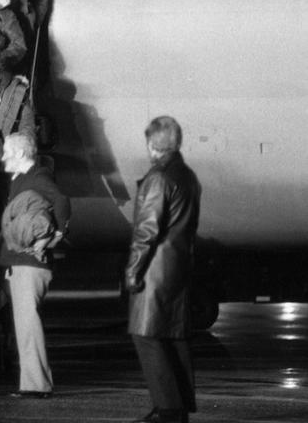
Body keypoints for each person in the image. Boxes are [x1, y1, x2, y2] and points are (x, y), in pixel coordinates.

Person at [125, 116, 200, 423]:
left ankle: (168, 408)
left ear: (153, 144)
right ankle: (178, 405)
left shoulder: (158, 178)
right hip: (178, 265)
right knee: (174, 336)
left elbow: (147, 230)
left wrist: (133, 270)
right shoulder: (187, 175)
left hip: (155, 269)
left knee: (147, 336)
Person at [0, 132, 70, 399]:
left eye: (7, 152)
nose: (3, 157)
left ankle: (36, 385)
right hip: (21, 262)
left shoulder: (38, 177)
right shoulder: (22, 179)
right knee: (24, 324)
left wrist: (55, 237)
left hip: (29, 263)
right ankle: (32, 383)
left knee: (28, 324)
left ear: (22, 154)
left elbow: (61, 201)